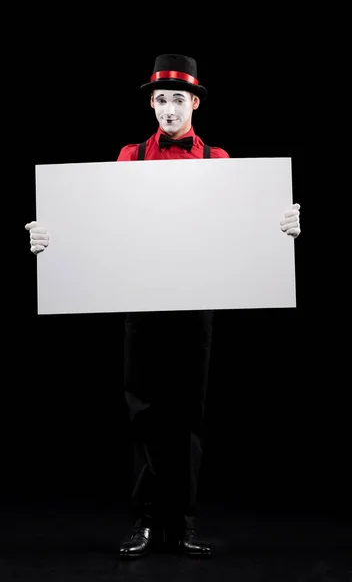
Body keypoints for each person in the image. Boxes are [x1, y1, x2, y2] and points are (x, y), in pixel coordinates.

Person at [25, 54, 301, 559]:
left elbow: (239, 229)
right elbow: (101, 223)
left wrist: (280, 227)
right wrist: (52, 238)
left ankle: (186, 523)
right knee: (144, 413)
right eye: (161, 100)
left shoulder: (217, 159)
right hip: (141, 298)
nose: (169, 110)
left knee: (189, 414)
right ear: (152, 105)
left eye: (178, 99)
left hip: (197, 300)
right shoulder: (130, 156)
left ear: (194, 103)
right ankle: (147, 524)